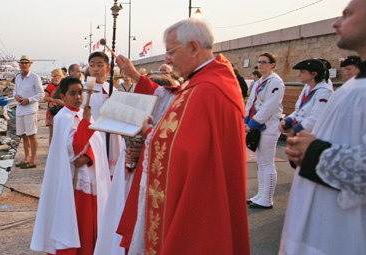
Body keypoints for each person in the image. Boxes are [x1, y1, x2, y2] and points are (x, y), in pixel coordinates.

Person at [115, 18, 250, 255]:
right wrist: (136, 76)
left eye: (171, 52)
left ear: (194, 47)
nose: (167, 60)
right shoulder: (205, 81)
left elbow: (183, 148)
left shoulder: (208, 88)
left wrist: (149, 133)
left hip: (201, 196)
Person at [280, 0, 366, 253]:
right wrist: (304, 149)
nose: (335, 22)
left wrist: (314, 152)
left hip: (348, 237)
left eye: (348, 14)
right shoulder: (354, 85)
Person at [31, 77, 110, 254]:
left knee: (89, 220)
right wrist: (86, 124)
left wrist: (89, 157)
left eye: (80, 92)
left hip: (88, 175)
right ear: (64, 97)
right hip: (73, 180)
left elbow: (96, 144)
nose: (78, 97)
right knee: (76, 220)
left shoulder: (84, 114)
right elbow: (73, 147)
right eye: (72, 94)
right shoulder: (63, 117)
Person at [244, 52, 285, 209]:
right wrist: (246, 119)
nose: (260, 64)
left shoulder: (275, 82)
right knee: (260, 162)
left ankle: (267, 198)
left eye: (263, 62)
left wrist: (252, 124)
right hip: (259, 126)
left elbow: (269, 106)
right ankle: (260, 195)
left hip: (268, 127)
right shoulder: (260, 81)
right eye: (259, 62)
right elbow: (251, 103)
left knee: (267, 163)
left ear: (272, 64)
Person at [83, 52, 122, 171]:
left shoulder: (113, 90)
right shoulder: (82, 90)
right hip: (92, 135)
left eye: (100, 65)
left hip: (111, 136)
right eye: (92, 65)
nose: (95, 69)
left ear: (108, 69)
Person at [280, 59, 333, 136]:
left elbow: (316, 118)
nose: (299, 75)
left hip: (313, 135)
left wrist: (296, 130)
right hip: (302, 132)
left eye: (302, 72)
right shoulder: (307, 87)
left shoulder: (324, 92)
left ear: (313, 74)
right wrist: (288, 120)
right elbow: (299, 110)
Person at [14, 55, 44, 169]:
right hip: (20, 109)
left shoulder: (35, 77)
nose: (24, 65)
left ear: (29, 64)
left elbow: (41, 93)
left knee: (31, 134)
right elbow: (15, 90)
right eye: (22, 63)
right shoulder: (17, 77)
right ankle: (26, 158)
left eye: (26, 63)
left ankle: (33, 160)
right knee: (23, 135)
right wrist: (15, 96)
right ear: (20, 65)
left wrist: (29, 100)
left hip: (30, 109)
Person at [43, 68, 65, 145]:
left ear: (60, 76)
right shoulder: (50, 85)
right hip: (52, 110)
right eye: (53, 76)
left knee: (62, 132)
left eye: (55, 76)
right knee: (52, 133)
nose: (53, 78)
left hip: (62, 110)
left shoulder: (63, 85)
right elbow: (45, 97)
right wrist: (54, 100)